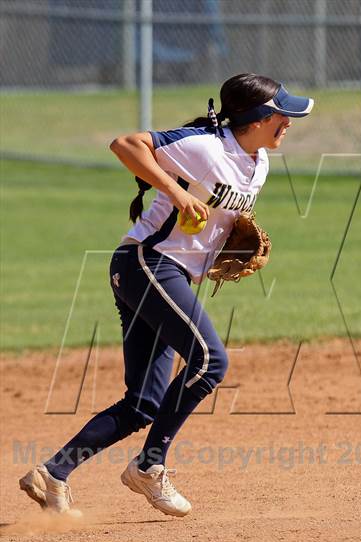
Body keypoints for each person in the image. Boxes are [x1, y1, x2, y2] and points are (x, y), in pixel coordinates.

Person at [19, 73, 314, 518]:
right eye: (280, 115)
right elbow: (125, 144)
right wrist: (175, 192)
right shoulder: (205, 144)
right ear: (255, 118)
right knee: (211, 361)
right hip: (147, 263)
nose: (288, 122)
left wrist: (231, 232)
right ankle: (149, 465)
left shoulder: (259, 164)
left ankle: (53, 474)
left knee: (144, 403)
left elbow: (216, 212)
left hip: (166, 272)